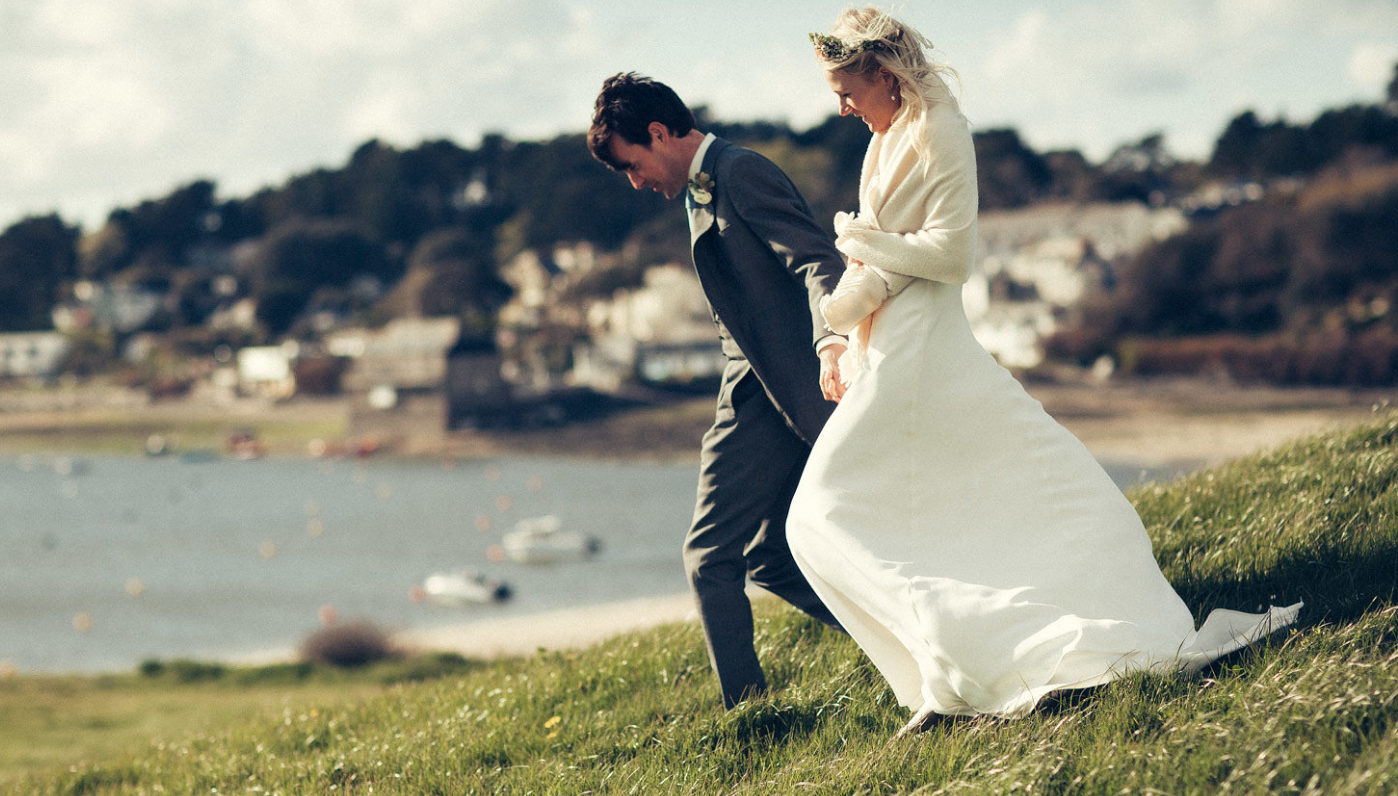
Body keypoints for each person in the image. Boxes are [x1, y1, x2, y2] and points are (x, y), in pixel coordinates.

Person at [787, 7, 1302, 736]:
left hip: (924, 348)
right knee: (884, 513)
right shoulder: (879, 146)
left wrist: (863, 245)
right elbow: (879, 262)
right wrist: (841, 324)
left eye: (846, 88)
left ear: (883, 72)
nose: (839, 105)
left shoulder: (943, 131)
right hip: (885, 348)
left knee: (820, 514)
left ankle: (976, 658)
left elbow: (949, 257)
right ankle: (948, 673)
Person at [588, 72, 849, 709]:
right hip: (769, 394)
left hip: (772, 397)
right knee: (772, 557)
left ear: (657, 134)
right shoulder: (701, 189)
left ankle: (748, 712)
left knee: (709, 558)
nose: (635, 181)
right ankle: (903, 639)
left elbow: (818, 261)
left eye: (632, 164)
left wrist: (833, 341)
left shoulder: (740, 172)